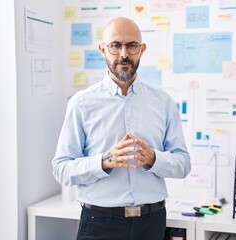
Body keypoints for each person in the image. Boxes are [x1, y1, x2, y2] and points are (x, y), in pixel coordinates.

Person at [52, 17, 191, 240]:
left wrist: (154, 158)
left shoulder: (163, 102)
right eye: (115, 45)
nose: (124, 54)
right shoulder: (81, 104)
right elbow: (61, 169)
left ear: (142, 49)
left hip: (152, 223)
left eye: (132, 45)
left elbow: (183, 164)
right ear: (103, 50)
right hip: (100, 224)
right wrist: (103, 162)